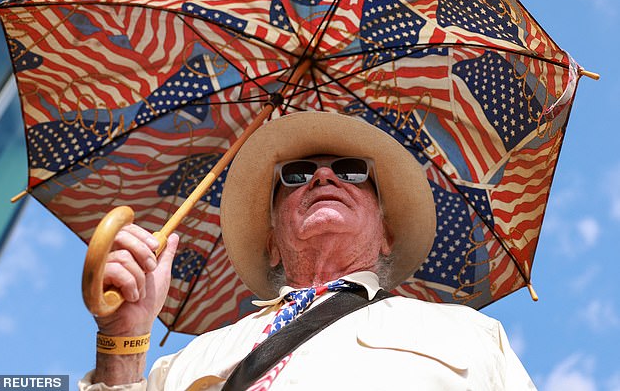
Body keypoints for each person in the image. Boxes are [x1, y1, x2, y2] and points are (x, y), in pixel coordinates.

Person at [79, 111, 536, 390]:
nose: (323, 178)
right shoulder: (184, 363)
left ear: (386, 236)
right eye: (296, 175)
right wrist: (123, 340)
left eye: (353, 171)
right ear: (273, 242)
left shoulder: (473, 335)